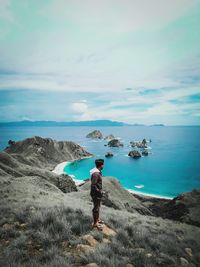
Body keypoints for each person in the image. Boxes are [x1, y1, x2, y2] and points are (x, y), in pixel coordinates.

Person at [90, 158, 104, 230]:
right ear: (101, 165)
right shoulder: (96, 174)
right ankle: (95, 224)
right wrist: (99, 191)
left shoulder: (97, 171)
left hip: (97, 193)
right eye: (103, 164)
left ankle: (97, 220)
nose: (103, 166)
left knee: (98, 207)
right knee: (96, 208)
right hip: (96, 194)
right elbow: (93, 185)